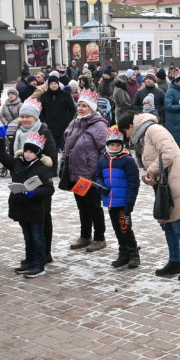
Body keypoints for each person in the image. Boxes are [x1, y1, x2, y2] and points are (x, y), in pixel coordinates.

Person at [117, 109, 180, 282]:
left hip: (175, 181)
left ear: (131, 126)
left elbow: (168, 153)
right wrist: (149, 176)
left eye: (126, 132)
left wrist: (151, 171)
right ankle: (175, 261)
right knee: (167, 223)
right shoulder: (144, 134)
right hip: (164, 184)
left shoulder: (153, 130)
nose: (127, 137)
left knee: (178, 223)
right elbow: (152, 161)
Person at [0, 131, 54, 278]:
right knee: (27, 235)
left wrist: (35, 193)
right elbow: (1, 155)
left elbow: (49, 189)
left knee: (37, 236)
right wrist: (0, 139)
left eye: (31, 152)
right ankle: (29, 259)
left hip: (35, 209)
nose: (28, 154)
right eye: (26, 151)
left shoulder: (42, 168)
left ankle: (40, 263)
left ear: (38, 154)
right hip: (20, 207)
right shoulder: (17, 163)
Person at [63, 89, 109, 252]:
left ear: (92, 108)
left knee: (94, 207)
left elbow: (105, 150)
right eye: (79, 105)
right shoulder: (75, 122)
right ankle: (85, 235)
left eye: (85, 106)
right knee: (82, 206)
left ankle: (99, 238)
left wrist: (99, 173)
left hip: (90, 175)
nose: (80, 108)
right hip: (76, 173)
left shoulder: (99, 125)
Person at [94, 126, 141, 269]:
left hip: (123, 202)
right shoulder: (102, 160)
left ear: (122, 145)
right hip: (110, 201)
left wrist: (130, 202)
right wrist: (100, 186)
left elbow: (134, 182)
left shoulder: (127, 160)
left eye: (118, 145)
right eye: (112, 145)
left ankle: (133, 254)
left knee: (125, 228)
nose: (115, 147)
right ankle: (123, 253)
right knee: (116, 228)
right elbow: (97, 177)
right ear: (107, 145)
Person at [39, 73, 77, 150]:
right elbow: (41, 110)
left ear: (58, 84)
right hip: (49, 128)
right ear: (49, 85)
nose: (54, 85)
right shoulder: (44, 96)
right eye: (52, 83)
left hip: (63, 128)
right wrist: (44, 121)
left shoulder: (65, 95)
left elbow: (72, 109)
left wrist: (66, 121)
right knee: (51, 150)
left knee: (65, 150)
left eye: (55, 83)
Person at [163, 69, 180, 152]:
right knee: (176, 150)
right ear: (179, 80)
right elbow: (167, 106)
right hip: (174, 123)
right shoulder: (170, 91)